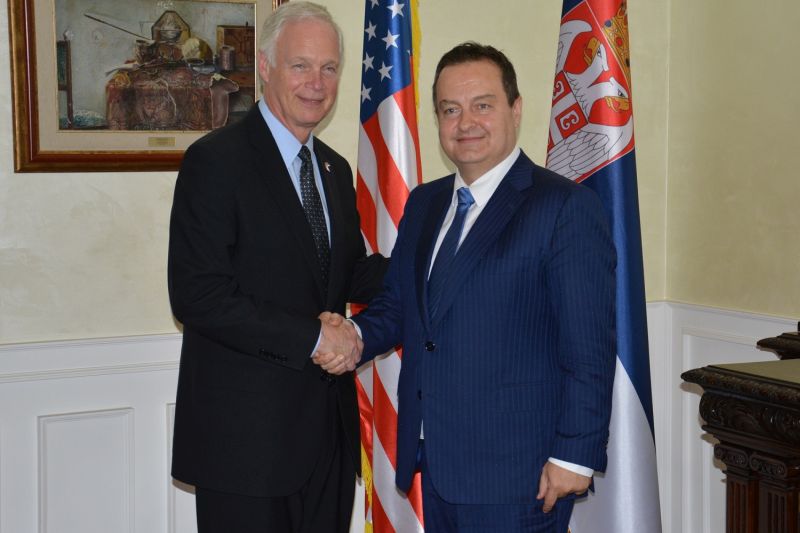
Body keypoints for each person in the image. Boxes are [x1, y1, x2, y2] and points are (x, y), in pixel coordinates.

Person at [316, 42, 616, 532]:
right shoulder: (425, 203)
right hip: (437, 465)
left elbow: (589, 348)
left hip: (522, 475)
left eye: (483, 105)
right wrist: (352, 335)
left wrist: (574, 455)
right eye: (450, 109)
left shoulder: (564, 207)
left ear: (515, 109)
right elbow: (400, 306)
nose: (466, 123)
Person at [167, 3, 385, 532]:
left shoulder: (333, 169)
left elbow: (347, 273)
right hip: (245, 449)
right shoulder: (215, 161)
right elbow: (198, 295)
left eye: (329, 68)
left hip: (327, 441)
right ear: (265, 66)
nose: (317, 83)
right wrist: (314, 337)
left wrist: (438, 258)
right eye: (300, 65)